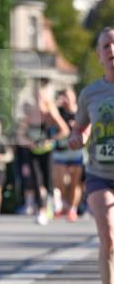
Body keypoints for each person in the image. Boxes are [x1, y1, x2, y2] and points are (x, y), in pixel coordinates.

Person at [70, 27, 114, 284]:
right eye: (106, 45)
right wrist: (78, 137)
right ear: (99, 55)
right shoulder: (90, 93)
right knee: (108, 236)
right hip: (100, 172)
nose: (111, 49)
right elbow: (79, 128)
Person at [16, 83, 69, 225]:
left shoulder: (50, 112)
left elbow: (64, 130)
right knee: (36, 180)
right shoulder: (28, 113)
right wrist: (29, 142)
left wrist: (51, 140)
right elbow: (20, 136)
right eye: (36, 96)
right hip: (33, 151)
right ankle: (41, 210)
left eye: (41, 96)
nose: (38, 99)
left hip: (47, 151)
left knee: (48, 180)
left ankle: (53, 197)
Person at [54, 87, 84, 221]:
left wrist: (77, 127)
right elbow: (47, 116)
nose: (66, 99)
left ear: (74, 97)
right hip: (60, 152)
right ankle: (65, 204)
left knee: (74, 183)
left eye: (68, 96)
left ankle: (72, 208)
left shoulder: (80, 111)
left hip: (75, 151)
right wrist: (55, 103)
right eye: (63, 96)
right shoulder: (58, 111)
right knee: (60, 182)